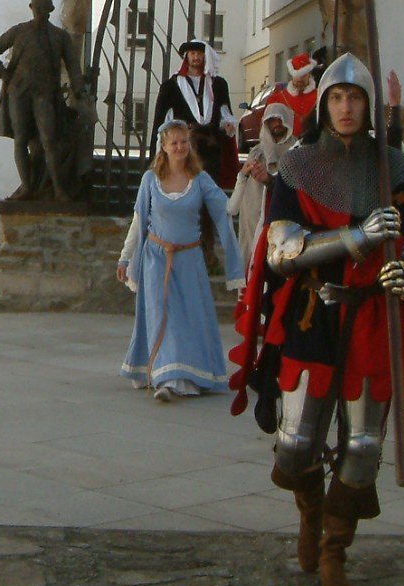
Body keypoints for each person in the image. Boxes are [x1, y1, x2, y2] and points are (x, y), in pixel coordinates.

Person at [227, 53, 404, 586]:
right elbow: (281, 249)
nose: (346, 107)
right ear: (322, 105)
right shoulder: (298, 166)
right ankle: (311, 514)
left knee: (363, 447)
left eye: (356, 98)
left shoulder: (393, 166)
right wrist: (360, 236)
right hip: (312, 312)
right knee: (297, 446)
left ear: (369, 106)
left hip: (373, 317)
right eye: (337, 98)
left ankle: (333, 551)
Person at [117, 119, 245, 402]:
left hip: (188, 260)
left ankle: (186, 374)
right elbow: (139, 221)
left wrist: (243, 179)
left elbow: (227, 210)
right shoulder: (150, 180)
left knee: (189, 319)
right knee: (165, 317)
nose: (179, 146)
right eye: (173, 142)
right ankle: (167, 379)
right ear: (163, 147)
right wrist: (125, 258)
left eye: (184, 141)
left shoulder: (200, 180)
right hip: (155, 259)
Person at [0, 0, 83, 201]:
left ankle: (59, 190)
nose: (41, 13)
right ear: (31, 8)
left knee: (49, 140)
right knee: (20, 139)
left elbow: (73, 64)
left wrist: (79, 87)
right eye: (38, 8)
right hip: (18, 93)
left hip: (45, 95)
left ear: (51, 11)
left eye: (45, 9)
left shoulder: (59, 36)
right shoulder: (19, 31)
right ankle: (27, 187)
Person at [151, 39, 238, 188]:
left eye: (199, 53)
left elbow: (224, 112)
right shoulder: (171, 86)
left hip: (211, 149)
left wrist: (228, 125)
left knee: (209, 191)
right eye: (192, 53)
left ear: (206, 56)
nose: (196, 57)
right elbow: (163, 122)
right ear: (187, 56)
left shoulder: (218, 84)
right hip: (184, 148)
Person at [227, 102, 295, 272]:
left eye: (280, 120)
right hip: (254, 209)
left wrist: (271, 180)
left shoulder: (296, 150)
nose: (277, 125)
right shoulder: (257, 151)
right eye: (272, 121)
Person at [265, 52, 319, 138]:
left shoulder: (320, 96)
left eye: (304, 75)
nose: (300, 79)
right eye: (296, 75)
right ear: (292, 75)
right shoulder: (276, 99)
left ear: (309, 74)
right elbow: (268, 130)